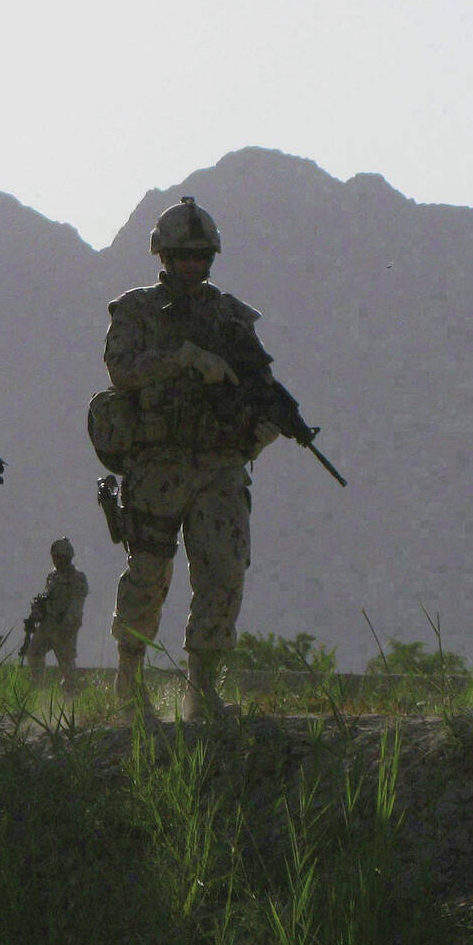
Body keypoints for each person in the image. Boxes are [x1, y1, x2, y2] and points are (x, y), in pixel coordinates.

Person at [101, 196, 290, 718]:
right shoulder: (135, 311)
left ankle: (202, 690)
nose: (191, 265)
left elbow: (261, 383)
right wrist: (184, 359)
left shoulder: (230, 316)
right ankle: (129, 682)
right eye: (182, 255)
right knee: (148, 573)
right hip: (156, 463)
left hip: (218, 466)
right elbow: (122, 370)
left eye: (200, 256)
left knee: (223, 572)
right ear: (162, 255)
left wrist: (260, 429)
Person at [21, 538, 87, 690]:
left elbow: (77, 604)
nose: (55, 560)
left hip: (64, 627)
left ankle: (70, 694)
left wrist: (67, 625)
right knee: (34, 652)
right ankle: (38, 686)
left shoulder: (77, 578)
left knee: (66, 665)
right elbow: (47, 597)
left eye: (58, 556)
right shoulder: (53, 576)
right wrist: (37, 611)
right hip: (47, 624)